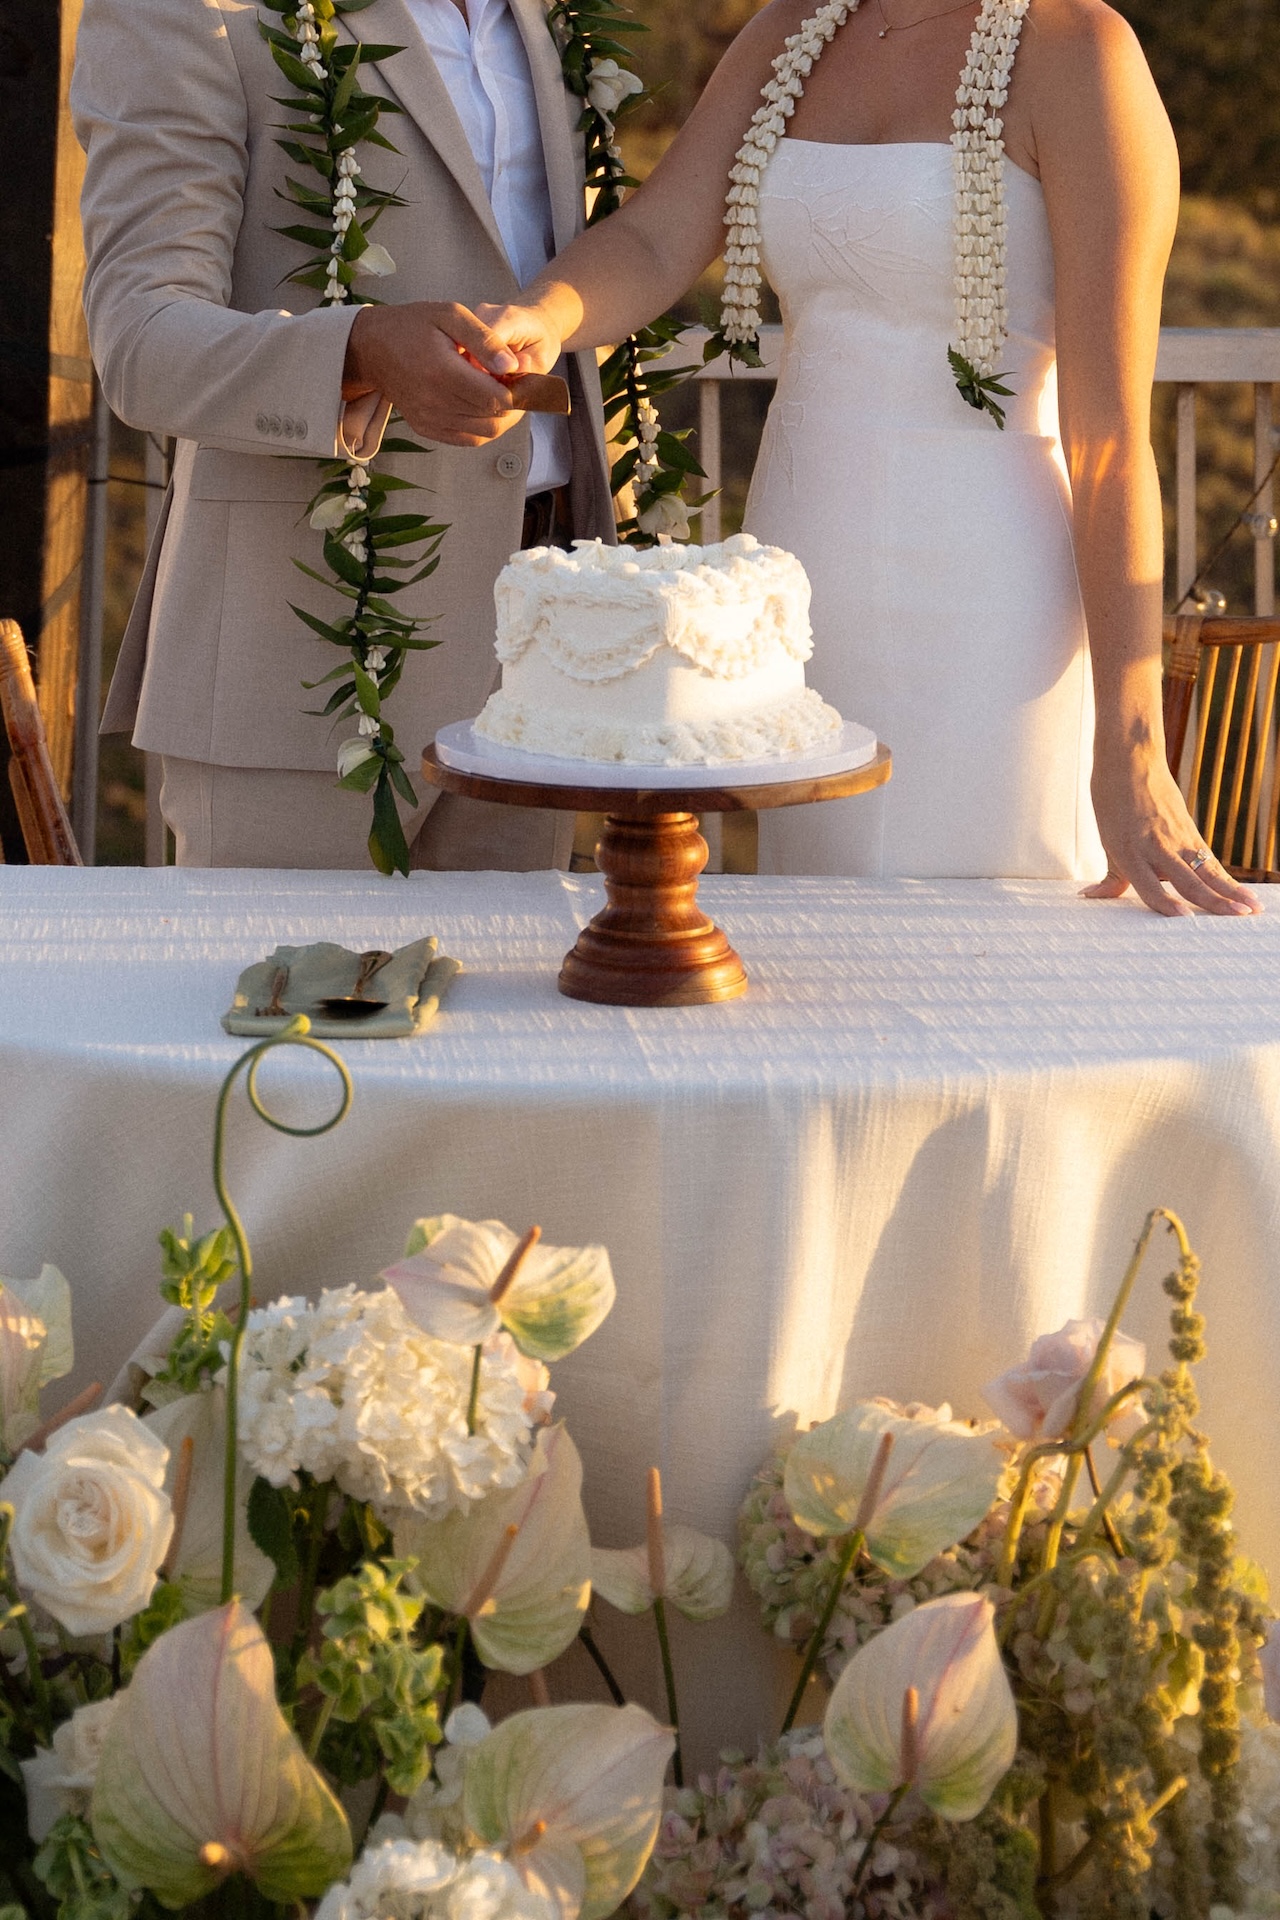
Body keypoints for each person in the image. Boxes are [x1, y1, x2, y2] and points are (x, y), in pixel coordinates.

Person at [484, 0, 1262, 916]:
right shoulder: (786, 34)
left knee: (1001, 932)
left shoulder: (1078, 49)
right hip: (801, 580)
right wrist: (539, 320)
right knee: (814, 943)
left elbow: (1109, 443)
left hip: (990, 598)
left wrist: (1132, 746)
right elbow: (656, 239)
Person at [72, 0, 615, 870]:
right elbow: (142, 339)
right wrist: (359, 348)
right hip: (301, 666)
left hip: (540, 664)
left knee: (523, 1006)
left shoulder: (541, 15)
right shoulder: (192, 10)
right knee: (280, 1002)